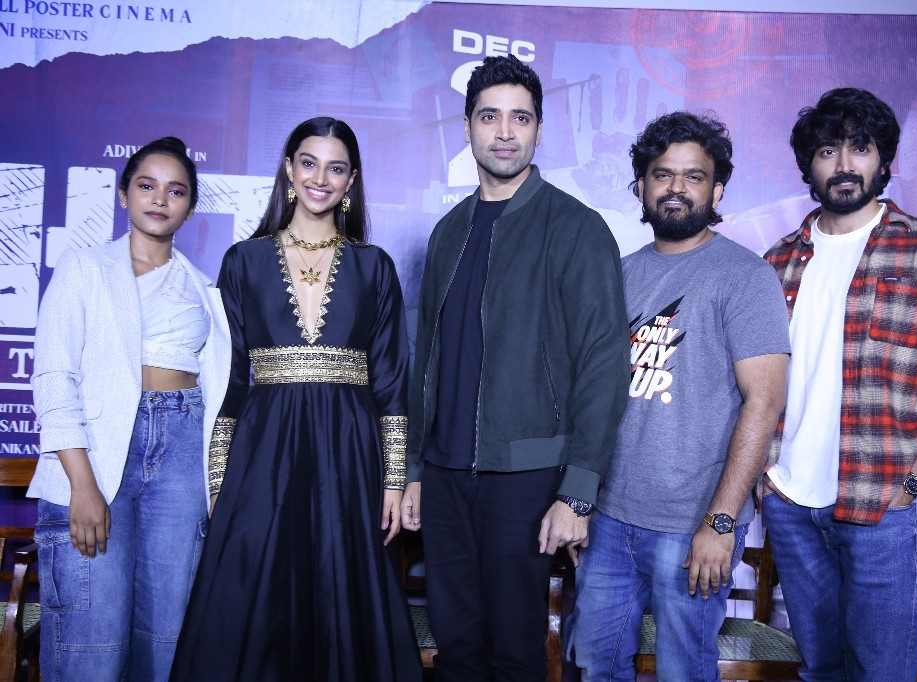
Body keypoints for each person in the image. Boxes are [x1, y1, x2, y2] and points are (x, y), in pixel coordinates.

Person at [402, 55, 629, 681]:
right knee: (456, 651)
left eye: (520, 118)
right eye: (490, 117)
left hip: (527, 478)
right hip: (445, 477)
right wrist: (416, 469)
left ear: (538, 129)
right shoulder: (447, 232)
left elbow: (605, 364)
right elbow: (428, 361)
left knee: (516, 654)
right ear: (467, 127)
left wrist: (577, 492)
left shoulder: (577, 228)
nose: (505, 132)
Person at [760, 87, 917, 681]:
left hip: (884, 502)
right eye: (827, 151)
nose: (844, 164)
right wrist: (766, 481)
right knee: (820, 670)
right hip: (790, 502)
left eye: (859, 148)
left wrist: (913, 481)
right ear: (808, 165)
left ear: (884, 159)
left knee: (882, 673)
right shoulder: (774, 264)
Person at [170, 117, 420, 681]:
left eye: (336, 168)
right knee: (250, 598)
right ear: (288, 168)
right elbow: (231, 381)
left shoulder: (374, 266)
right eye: (309, 163)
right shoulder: (243, 261)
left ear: (351, 180)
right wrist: (219, 479)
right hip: (262, 456)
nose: (320, 178)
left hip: (350, 456)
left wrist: (393, 480)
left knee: (344, 593)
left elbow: (390, 384)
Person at [569, 112, 790, 681]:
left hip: (692, 522)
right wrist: (577, 501)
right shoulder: (617, 274)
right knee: (594, 665)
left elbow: (764, 404)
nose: (676, 187)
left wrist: (721, 522)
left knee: (683, 671)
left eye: (694, 176)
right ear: (640, 186)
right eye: (662, 174)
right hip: (609, 518)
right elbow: (585, 395)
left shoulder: (744, 276)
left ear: (717, 191)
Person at [29, 137, 230, 680]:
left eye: (176, 191)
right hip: (97, 456)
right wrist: (82, 485)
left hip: (183, 453)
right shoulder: (84, 268)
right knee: (92, 640)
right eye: (146, 185)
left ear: (190, 206)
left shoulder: (204, 290)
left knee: (168, 638)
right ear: (123, 195)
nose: (160, 199)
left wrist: (216, 482)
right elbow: (54, 379)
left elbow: (220, 397)